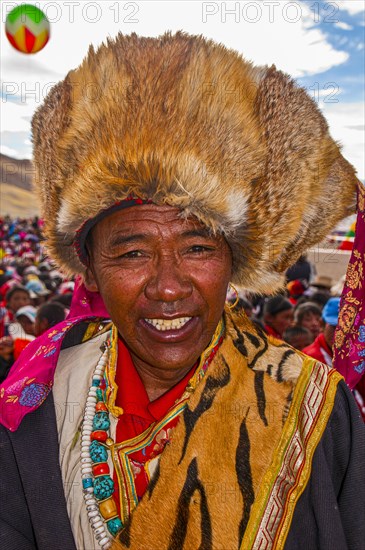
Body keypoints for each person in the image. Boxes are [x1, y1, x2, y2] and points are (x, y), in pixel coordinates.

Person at [0, 32, 364, 550]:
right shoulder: (38, 406)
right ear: (90, 272)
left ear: (234, 261)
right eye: (132, 253)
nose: (169, 287)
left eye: (197, 248)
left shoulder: (313, 407)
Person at [302, 298, 340, 366]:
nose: (341, 335)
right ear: (322, 324)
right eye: (335, 328)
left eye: (347, 330)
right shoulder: (309, 358)